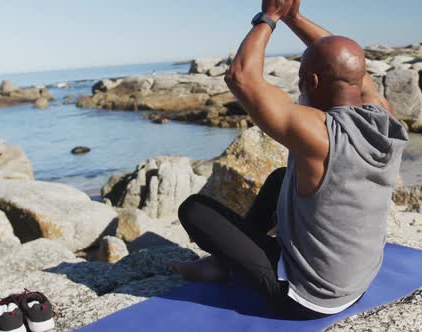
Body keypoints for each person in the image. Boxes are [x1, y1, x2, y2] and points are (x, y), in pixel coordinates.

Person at [168, 0, 409, 320]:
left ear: (312, 82)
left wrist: (269, 17)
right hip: (358, 281)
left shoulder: (318, 135)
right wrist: (293, 18)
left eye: (301, 78)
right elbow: (346, 59)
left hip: (308, 297)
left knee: (195, 210)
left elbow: (241, 77)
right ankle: (221, 264)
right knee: (282, 177)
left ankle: (221, 268)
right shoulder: (382, 116)